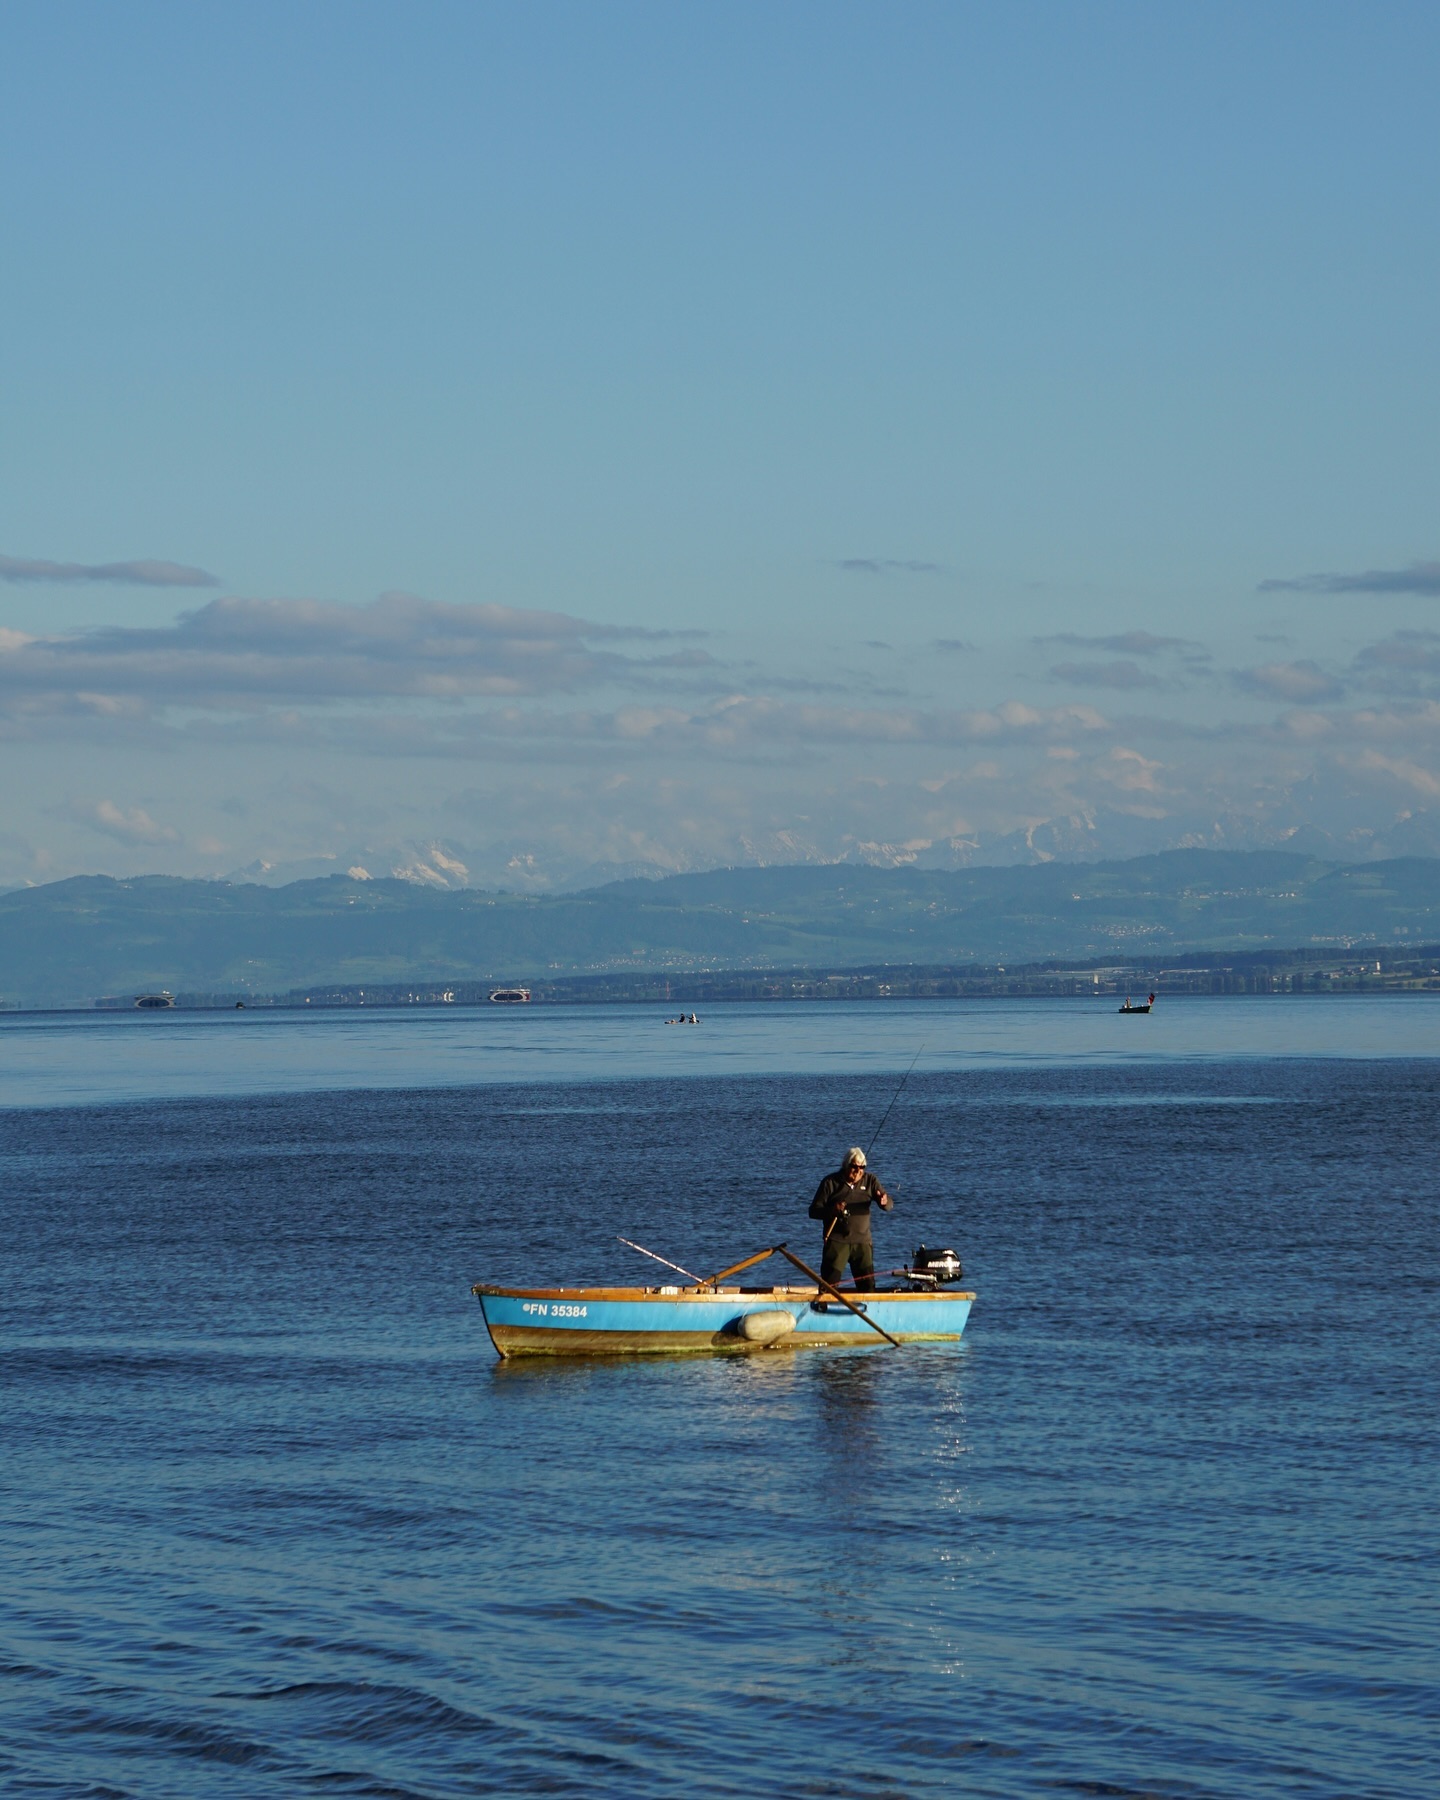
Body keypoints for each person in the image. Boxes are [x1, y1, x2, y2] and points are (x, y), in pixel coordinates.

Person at [808, 1147, 892, 1291]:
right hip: (837, 1242)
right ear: (846, 1165)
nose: (858, 1171)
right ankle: (823, 1308)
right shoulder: (830, 1182)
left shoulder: (870, 1180)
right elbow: (813, 1211)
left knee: (867, 1286)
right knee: (829, 1286)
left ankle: (867, 1310)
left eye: (862, 1167)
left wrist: (883, 1201)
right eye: (854, 1167)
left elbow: (889, 1204)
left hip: (862, 1243)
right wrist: (833, 1210)